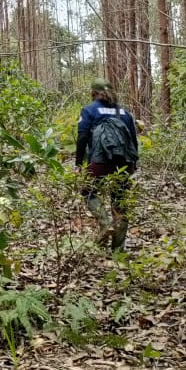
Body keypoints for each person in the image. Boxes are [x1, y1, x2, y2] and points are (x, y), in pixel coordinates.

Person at [75, 78, 139, 251]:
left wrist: (78, 163)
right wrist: (135, 163)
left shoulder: (89, 110)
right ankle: (118, 251)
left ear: (93, 93)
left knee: (87, 191)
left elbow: (82, 137)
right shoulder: (125, 113)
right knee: (120, 203)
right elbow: (133, 140)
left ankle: (105, 222)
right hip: (125, 163)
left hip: (99, 161)